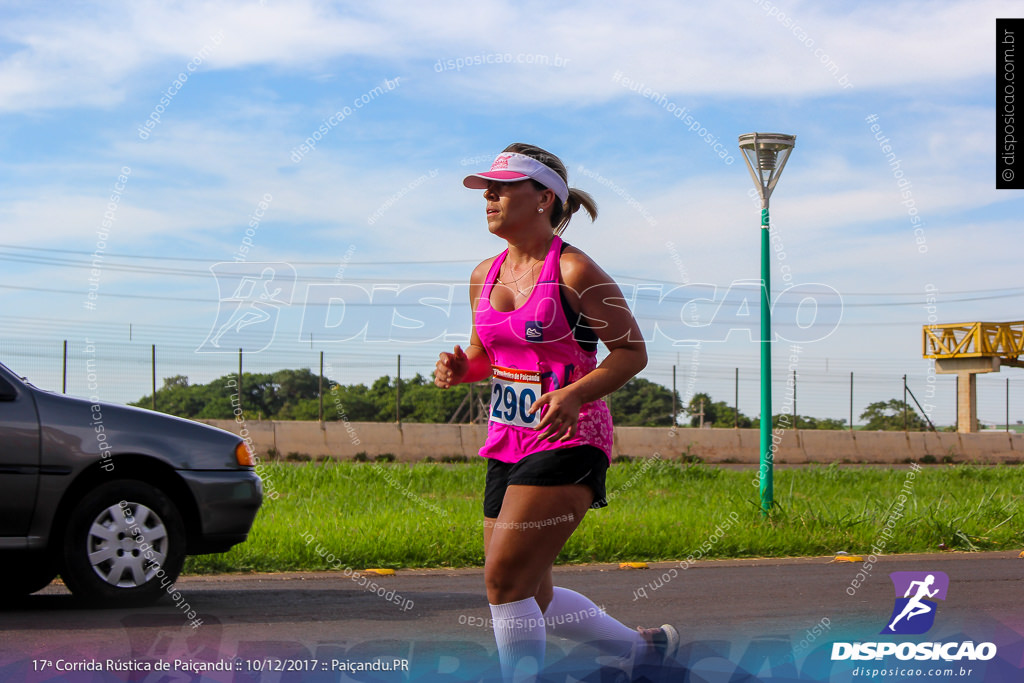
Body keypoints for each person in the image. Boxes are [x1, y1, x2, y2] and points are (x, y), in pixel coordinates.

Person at [434, 143, 679, 681]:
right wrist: (461, 368)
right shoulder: (484, 274)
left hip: (570, 438)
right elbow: (484, 358)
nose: (489, 197)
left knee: (505, 583)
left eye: (502, 187)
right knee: (531, 589)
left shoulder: (575, 271)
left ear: (544, 197)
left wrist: (574, 395)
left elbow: (631, 353)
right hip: (508, 438)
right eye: (486, 189)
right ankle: (644, 651)